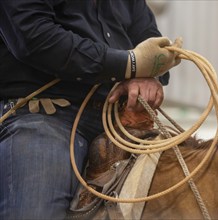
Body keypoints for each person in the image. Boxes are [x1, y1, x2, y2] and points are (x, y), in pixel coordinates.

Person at [0, 0, 182, 219]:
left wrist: (147, 74)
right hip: (45, 116)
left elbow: (153, 43)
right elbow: (33, 36)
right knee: (36, 213)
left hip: (119, 120)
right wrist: (129, 64)